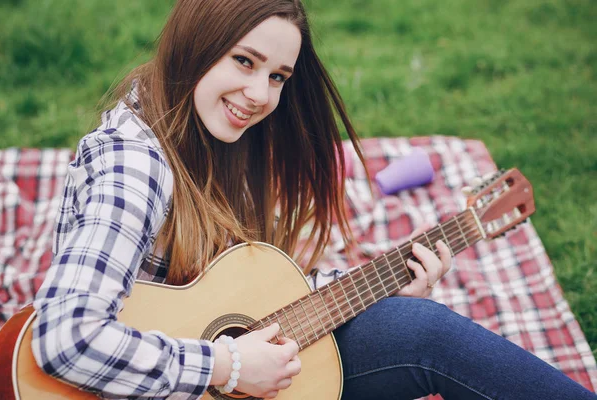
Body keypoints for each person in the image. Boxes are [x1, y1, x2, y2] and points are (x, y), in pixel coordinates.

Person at [31, 0, 596, 399]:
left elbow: (242, 295)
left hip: (210, 355)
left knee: (420, 326)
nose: (259, 95)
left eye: (278, 77)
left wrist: (397, 288)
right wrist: (225, 366)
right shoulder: (135, 164)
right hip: (162, 379)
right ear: (194, 43)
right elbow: (65, 338)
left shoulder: (211, 131)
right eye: (244, 61)